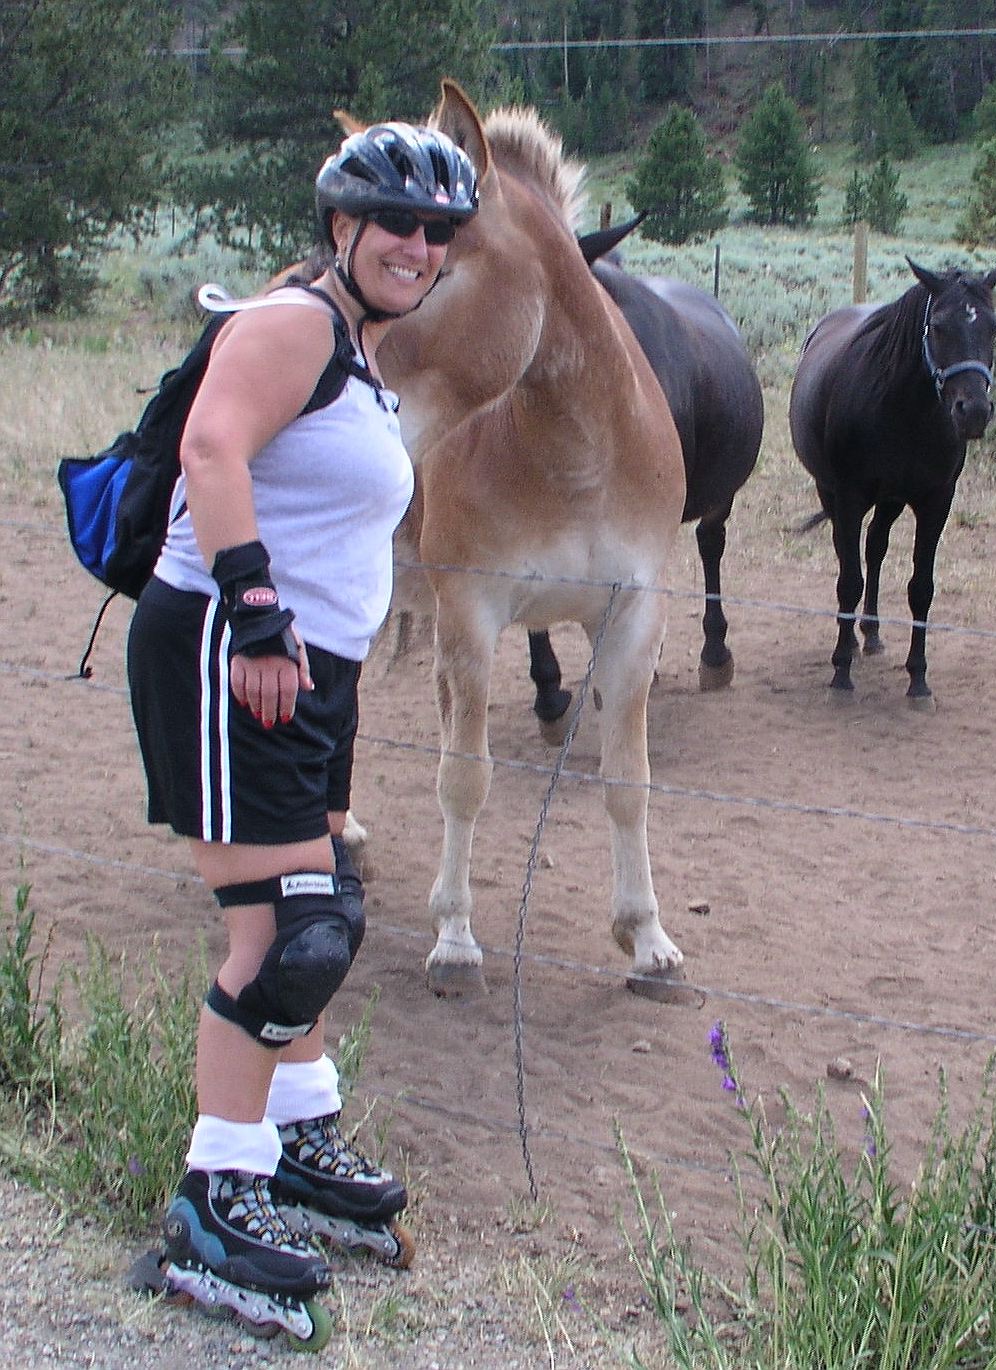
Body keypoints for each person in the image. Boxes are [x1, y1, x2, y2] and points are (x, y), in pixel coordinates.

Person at [126, 121, 478, 1336]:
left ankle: (295, 1133)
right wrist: (259, 613)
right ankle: (214, 1195)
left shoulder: (363, 354)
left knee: (324, 910)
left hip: (307, 670)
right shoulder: (293, 324)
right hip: (234, 648)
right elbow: (210, 445)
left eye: (438, 231)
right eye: (397, 224)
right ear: (341, 227)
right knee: (286, 931)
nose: (418, 246)